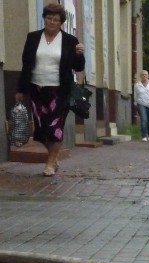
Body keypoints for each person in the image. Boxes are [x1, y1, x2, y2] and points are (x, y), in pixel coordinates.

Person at [16, 2, 85, 177]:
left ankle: (49, 163)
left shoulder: (70, 41)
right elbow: (26, 64)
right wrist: (20, 89)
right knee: (41, 130)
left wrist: (79, 55)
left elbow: (77, 67)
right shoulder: (33, 38)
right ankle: (54, 157)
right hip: (36, 89)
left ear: (61, 22)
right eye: (49, 18)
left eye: (56, 19)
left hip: (59, 91)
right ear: (44, 19)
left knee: (55, 127)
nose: (52, 22)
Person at [134, 70, 149, 141]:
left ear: (148, 76)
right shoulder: (137, 85)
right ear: (140, 76)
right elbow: (135, 95)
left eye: (146, 74)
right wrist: (136, 103)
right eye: (143, 75)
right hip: (141, 104)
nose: (144, 76)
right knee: (144, 119)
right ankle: (144, 135)